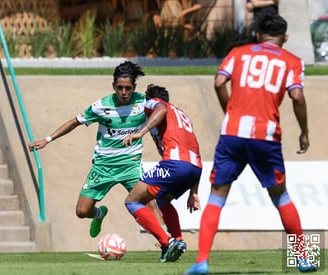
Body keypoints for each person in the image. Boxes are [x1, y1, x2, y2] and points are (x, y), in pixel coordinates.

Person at [185, 13, 317, 274]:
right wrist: (305, 132)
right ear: (285, 38)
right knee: (281, 195)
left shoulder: (238, 52)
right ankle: (303, 258)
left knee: (216, 196)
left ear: (257, 34)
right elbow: (297, 96)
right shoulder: (292, 61)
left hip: (232, 134)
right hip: (265, 137)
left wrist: (229, 110)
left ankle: (201, 261)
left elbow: (219, 81)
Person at [28, 61, 165, 239]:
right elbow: (74, 122)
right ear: (113, 86)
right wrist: (47, 140)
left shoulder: (143, 103)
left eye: (128, 88)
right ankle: (99, 214)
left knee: (151, 204)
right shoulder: (101, 106)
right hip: (103, 166)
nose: (124, 92)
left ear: (134, 87)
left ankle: (168, 242)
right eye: (120, 87)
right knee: (82, 211)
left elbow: (162, 113)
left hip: (130, 165)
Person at [122, 84, 202, 262]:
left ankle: (166, 242)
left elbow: (161, 108)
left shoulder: (155, 103)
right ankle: (178, 241)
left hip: (175, 164)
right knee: (163, 200)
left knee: (132, 201)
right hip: (194, 168)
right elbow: (195, 148)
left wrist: (139, 133)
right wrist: (194, 191)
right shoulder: (182, 116)